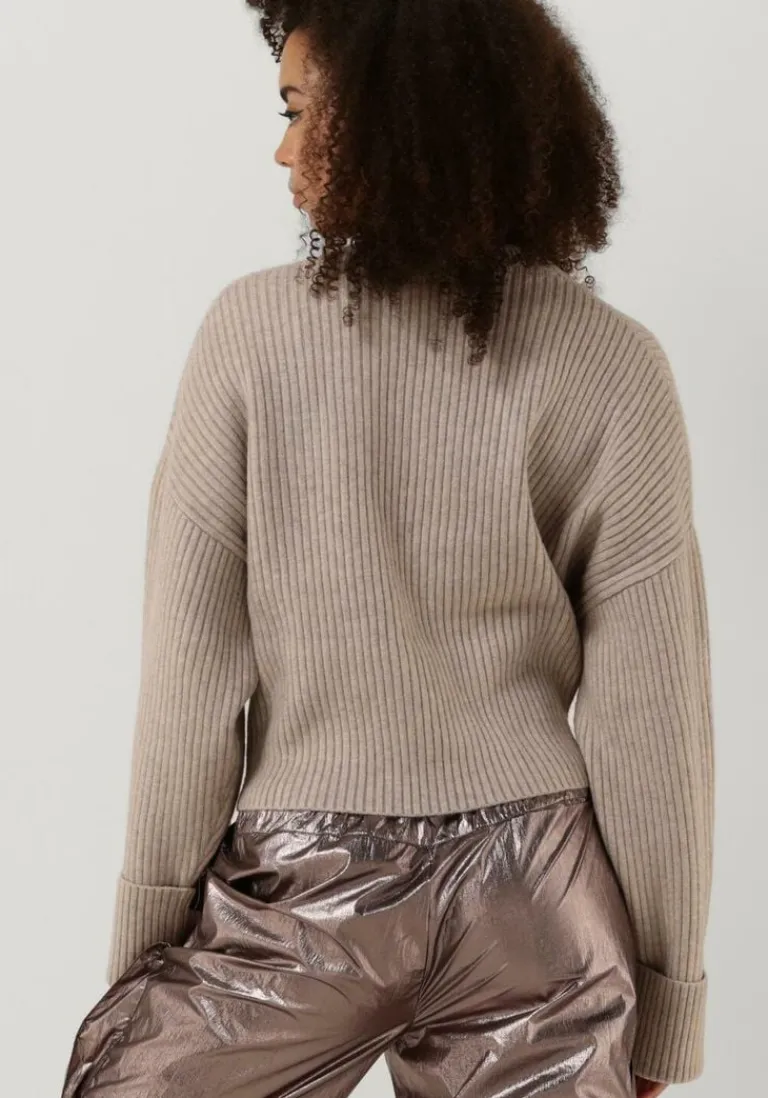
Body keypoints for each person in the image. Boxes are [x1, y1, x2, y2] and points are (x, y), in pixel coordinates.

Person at [60, 3, 715, 1097]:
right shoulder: (614, 363)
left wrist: (143, 958)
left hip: (302, 891)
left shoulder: (250, 337)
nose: (281, 151)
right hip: (538, 903)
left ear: (392, 117)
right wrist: (664, 1006)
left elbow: (188, 683)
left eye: (297, 110)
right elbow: (657, 719)